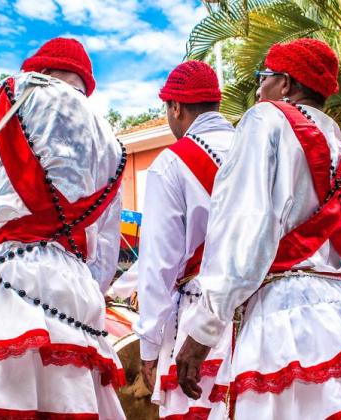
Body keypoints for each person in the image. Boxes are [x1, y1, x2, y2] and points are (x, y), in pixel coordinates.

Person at [174, 38, 341, 419]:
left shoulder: (265, 119)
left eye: (261, 78)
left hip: (283, 317)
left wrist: (204, 328)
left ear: (285, 84)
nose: (257, 90)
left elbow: (242, 230)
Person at [0, 38, 126, 419]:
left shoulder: (15, 98)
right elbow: (107, 244)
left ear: (41, 71)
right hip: (75, 286)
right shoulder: (110, 141)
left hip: (5, 277)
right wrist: (87, 289)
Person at [133, 60, 235, 419]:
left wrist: (148, 346)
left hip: (198, 321)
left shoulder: (171, 164)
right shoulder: (255, 151)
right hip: (261, 317)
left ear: (175, 107)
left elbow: (158, 263)